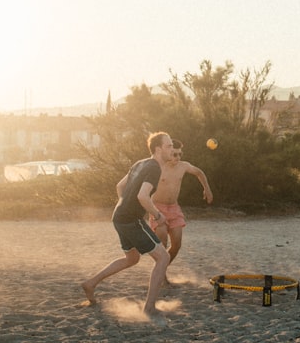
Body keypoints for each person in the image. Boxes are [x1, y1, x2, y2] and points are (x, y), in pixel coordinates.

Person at [81, 131, 175, 319]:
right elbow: (142, 196)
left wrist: (124, 205)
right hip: (130, 219)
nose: (172, 150)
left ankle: (91, 283)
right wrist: (157, 215)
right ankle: (149, 308)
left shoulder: (140, 163)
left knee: (132, 258)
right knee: (163, 258)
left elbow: (119, 186)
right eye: (169, 146)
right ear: (158, 149)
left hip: (119, 215)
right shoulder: (155, 167)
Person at [148, 139, 214, 284]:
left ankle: (161, 268)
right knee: (162, 242)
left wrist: (207, 189)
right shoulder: (158, 167)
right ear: (168, 154)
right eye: (174, 154)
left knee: (177, 244)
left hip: (174, 208)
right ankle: (161, 274)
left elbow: (199, 173)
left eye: (180, 154)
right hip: (157, 208)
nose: (178, 157)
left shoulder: (183, 166)